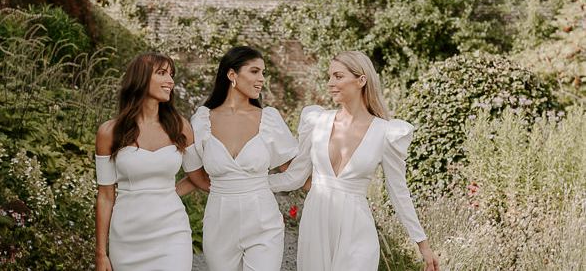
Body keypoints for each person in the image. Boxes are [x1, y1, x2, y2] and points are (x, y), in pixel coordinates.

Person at [269, 51, 440, 271]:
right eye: (329, 76)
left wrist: (423, 246)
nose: (330, 83)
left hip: (357, 229)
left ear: (361, 80)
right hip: (316, 225)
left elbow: (398, 192)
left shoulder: (386, 133)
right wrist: (241, 184)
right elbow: (295, 176)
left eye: (338, 76)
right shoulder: (316, 121)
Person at [94, 52, 209, 271]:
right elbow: (105, 196)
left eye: (171, 74)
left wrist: (247, 188)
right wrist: (101, 253)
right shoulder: (109, 132)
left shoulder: (180, 126)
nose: (171, 81)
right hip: (127, 236)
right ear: (141, 78)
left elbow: (197, 178)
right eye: (162, 73)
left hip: (172, 231)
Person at [190, 45, 298, 271]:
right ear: (232, 75)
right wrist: (227, 188)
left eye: (263, 72)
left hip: (263, 221)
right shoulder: (202, 120)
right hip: (219, 223)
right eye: (254, 71)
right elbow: (194, 172)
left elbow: (293, 170)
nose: (261, 79)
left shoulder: (269, 119)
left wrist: (260, 185)